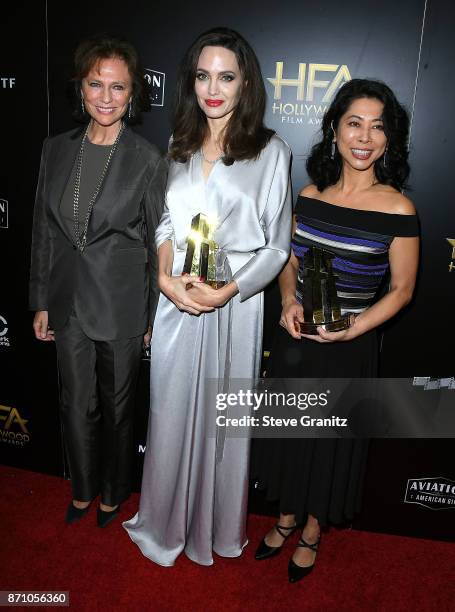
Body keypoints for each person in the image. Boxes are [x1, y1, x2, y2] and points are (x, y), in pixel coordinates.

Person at [123, 27, 291, 566]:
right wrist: (166, 281)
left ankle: (216, 529)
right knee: (169, 415)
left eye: (225, 76)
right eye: (202, 75)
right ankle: (165, 523)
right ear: (190, 81)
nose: (212, 88)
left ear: (245, 83)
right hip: (177, 304)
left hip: (235, 309)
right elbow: (166, 223)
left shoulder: (271, 151)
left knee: (224, 424)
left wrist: (225, 292)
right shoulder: (179, 146)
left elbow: (277, 246)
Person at [252, 79, 419, 582]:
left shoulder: (398, 209)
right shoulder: (310, 194)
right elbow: (289, 262)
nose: (365, 137)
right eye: (354, 123)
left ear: (390, 140)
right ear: (333, 129)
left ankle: (312, 530)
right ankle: (284, 517)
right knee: (289, 437)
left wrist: (354, 329)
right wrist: (286, 300)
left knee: (329, 445)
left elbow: (403, 289)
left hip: (349, 348)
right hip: (296, 340)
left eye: (377, 127)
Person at [29, 34, 167, 527]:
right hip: (66, 301)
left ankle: (113, 491)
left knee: (118, 407)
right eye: (95, 84)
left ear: (133, 95)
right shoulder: (55, 149)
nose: (105, 97)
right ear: (81, 88)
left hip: (122, 304)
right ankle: (83, 489)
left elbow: (157, 244)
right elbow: (45, 229)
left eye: (118, 87)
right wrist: (41, 299)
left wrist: (151, 315)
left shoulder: (148, 159)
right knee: (74, 405)